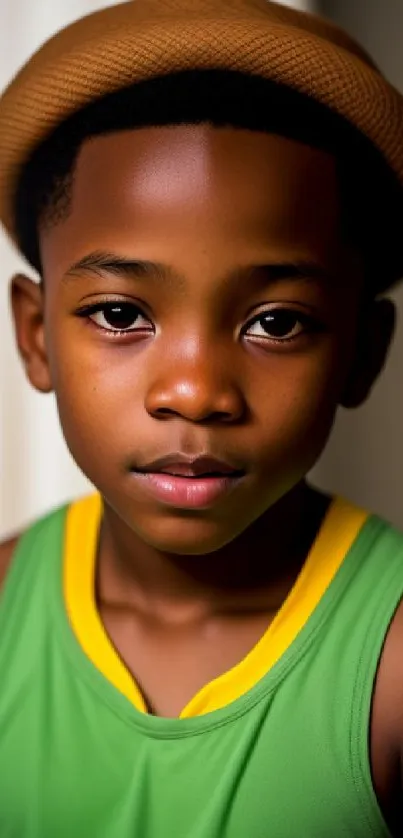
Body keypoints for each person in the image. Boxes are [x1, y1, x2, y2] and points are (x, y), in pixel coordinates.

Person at [0, 0, 403, 834]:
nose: (194, 392)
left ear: (362, 353)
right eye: (119, 315)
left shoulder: (391, 664)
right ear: (35, 337)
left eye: (276, 322)